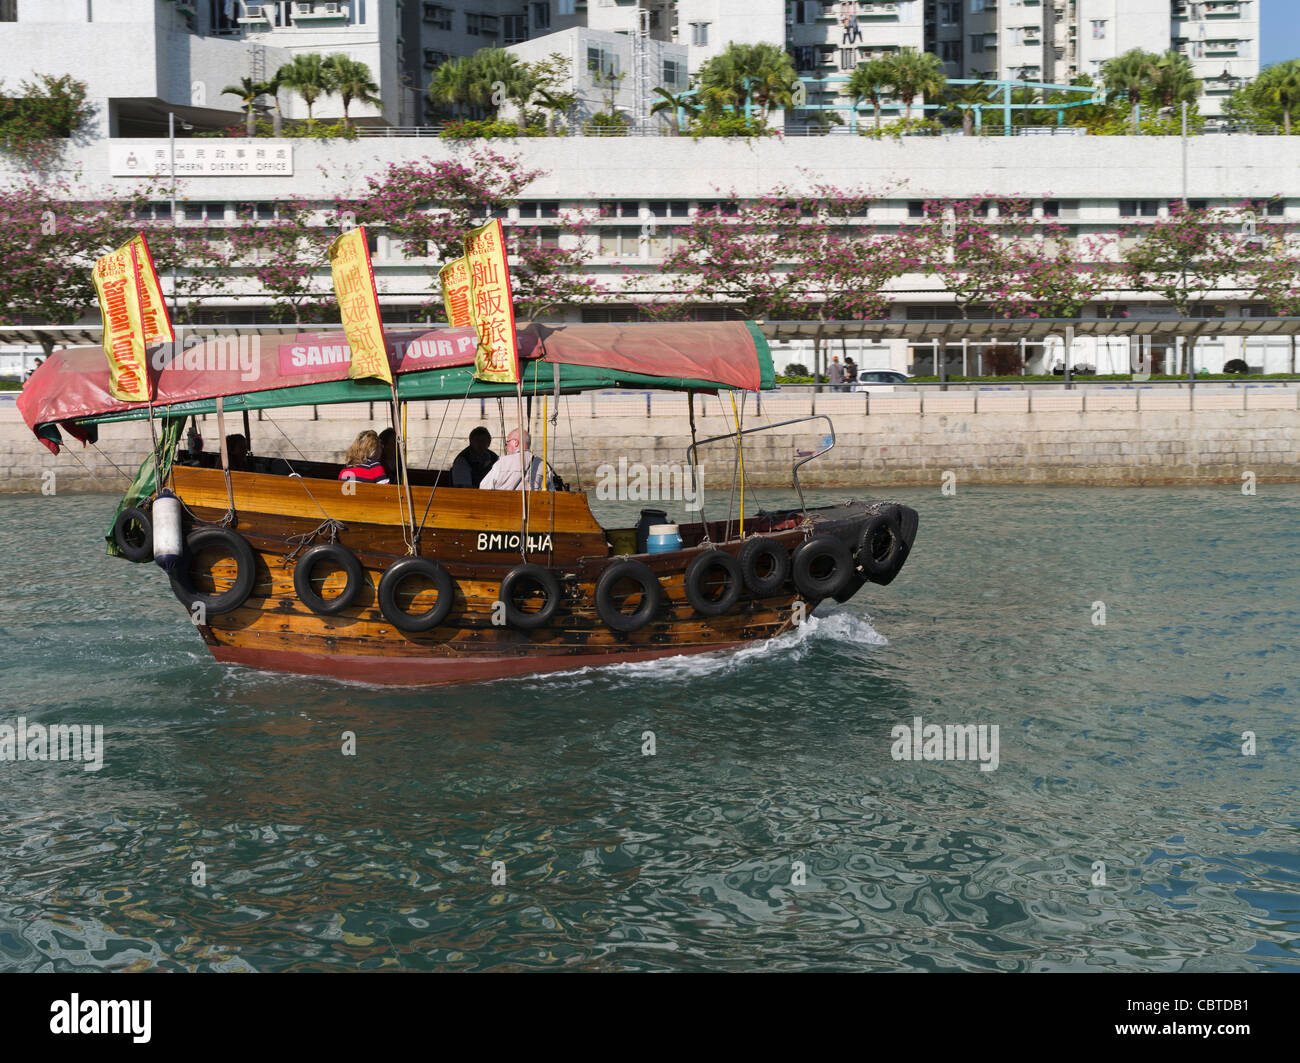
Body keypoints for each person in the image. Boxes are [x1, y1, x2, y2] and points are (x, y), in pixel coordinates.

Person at [477, 427, 554, 491]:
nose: (506, 447)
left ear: (516, 442)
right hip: (533, 508)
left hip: (505, 507)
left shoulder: (502, 463)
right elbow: (551, 492)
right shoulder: (543, 465)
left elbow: (484, 487)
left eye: (507, 443)